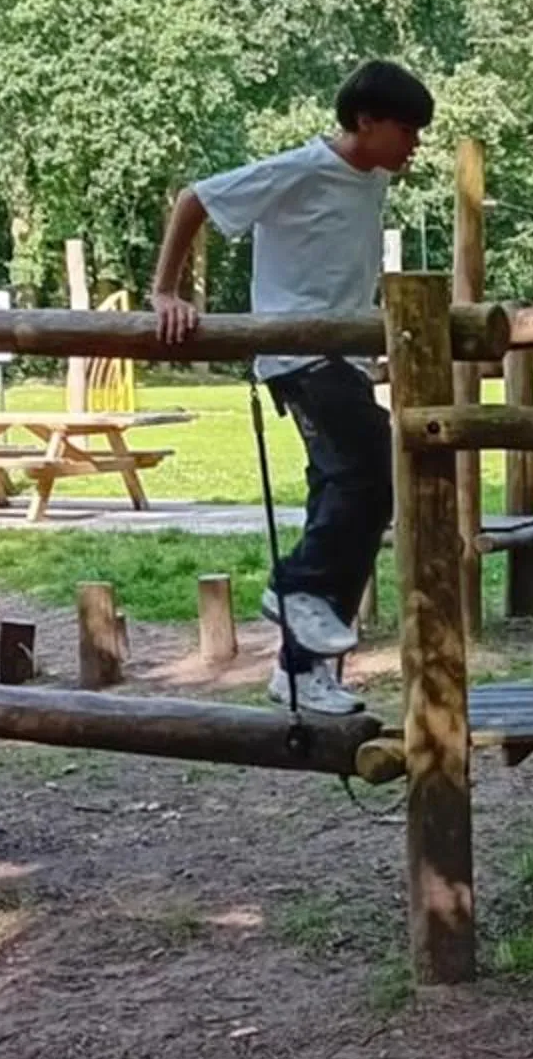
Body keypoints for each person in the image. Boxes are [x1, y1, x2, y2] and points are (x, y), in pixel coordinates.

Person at [149, 62, 434, 714]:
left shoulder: (376, 171)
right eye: (408, 130)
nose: (415, 144)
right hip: (299, 353)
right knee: (370, 472)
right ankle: (294, 586)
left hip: (344, 359)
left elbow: (377, 180)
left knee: (354, 500)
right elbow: (195, 198)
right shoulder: (300, 169)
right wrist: (164, 291)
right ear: (365, 122)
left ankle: (301, 672)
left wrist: (397, 158)